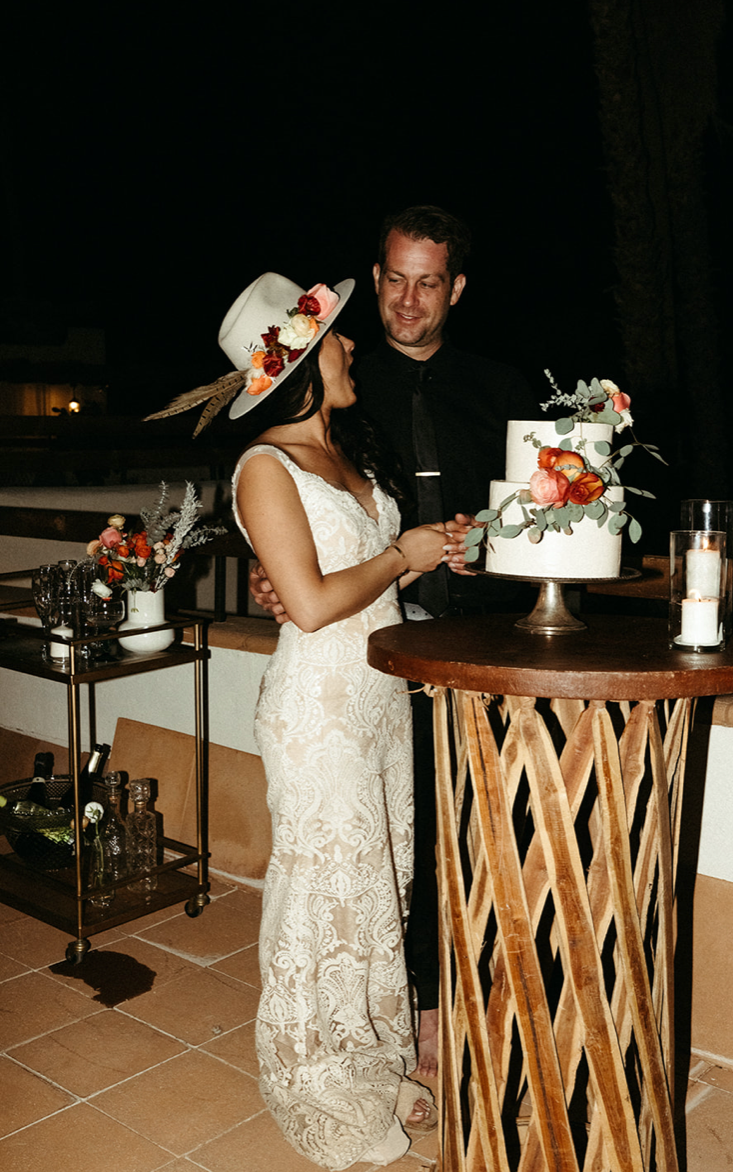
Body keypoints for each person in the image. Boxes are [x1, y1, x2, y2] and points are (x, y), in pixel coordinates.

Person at [251, 207, 541, 1078]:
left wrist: (497, 550)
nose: (406, 300)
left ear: (455, 289)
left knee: (490, 828)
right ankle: (413, 1013)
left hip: (490, 642)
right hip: (374, 657)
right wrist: (273, 578)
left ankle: (487, 994)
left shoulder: (505, 391)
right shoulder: (334, 383)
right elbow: (290, 508)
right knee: (391, 844)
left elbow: (544, 518)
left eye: (427, 283)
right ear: (372, 278)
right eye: (392, 279)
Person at [220, 271, 447, 1169]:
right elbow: (310, 606)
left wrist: (424, 556)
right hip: (319, 707)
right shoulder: (263, 467)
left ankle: (370, 1056)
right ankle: (314, 1073)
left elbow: (360, 577)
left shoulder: (347, 454)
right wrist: (399, 555)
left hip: (381, 700)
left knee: (375, 889)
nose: (352, 346)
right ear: (309, 361)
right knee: (324, 894)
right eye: (339, 339)